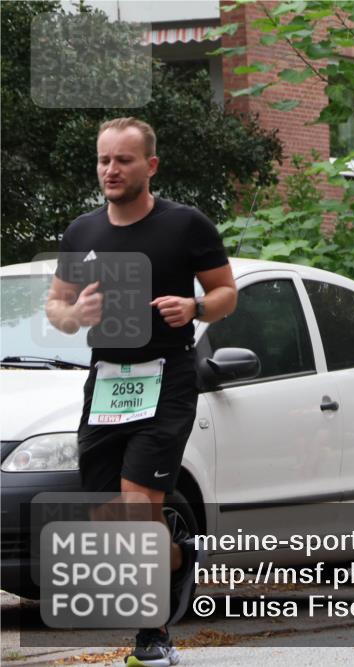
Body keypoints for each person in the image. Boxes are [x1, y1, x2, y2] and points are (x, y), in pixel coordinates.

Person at [46, 117, 237, 666]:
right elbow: (57, 307)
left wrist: (195, 307)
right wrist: (74, 313)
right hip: (107, 379)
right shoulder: (82, 233)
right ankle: (180, 554)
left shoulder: (186, 226)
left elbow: (226, 293)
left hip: (168, 377)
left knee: (136, 507)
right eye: (104, 160)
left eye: (123, 160)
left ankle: (152, 638)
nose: (111, 170)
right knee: (110, 518)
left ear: (149, 166)